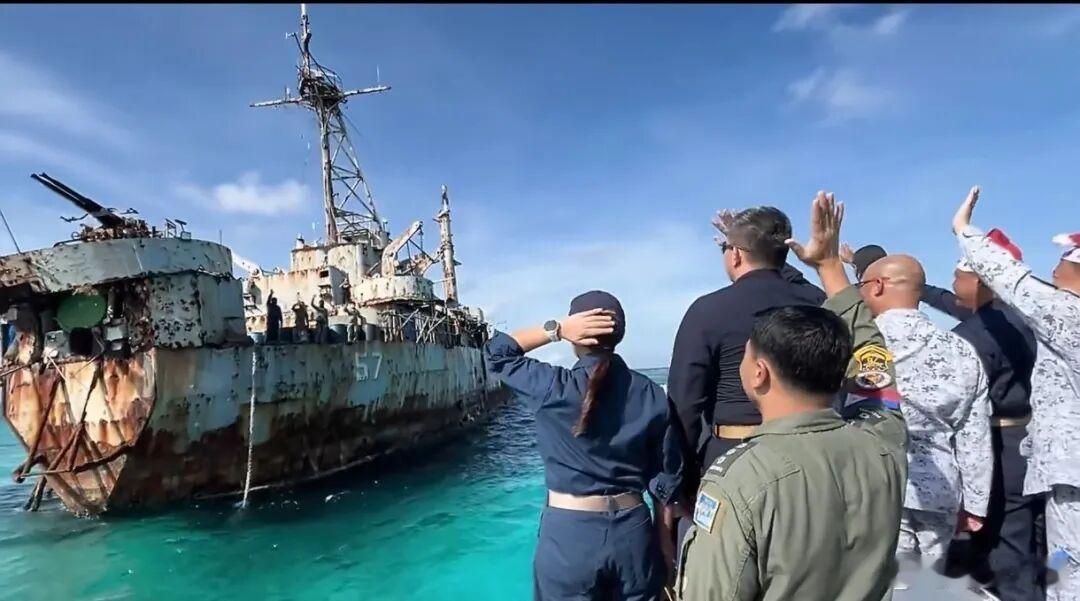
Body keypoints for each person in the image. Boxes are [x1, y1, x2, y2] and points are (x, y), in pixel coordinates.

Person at [676, 301, 907, 601]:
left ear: (759, 373)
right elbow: (875, 366)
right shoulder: (884, 441)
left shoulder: (739, 480)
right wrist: (837, 281)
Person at [820, 194, 994, 561]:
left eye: (862, 286)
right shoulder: (961, 350)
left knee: (884, 581)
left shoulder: (858, 343)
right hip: (940, 491)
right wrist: (976, 503)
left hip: (874, 486)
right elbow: (973, 434)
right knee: (931, 583)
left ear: (878, 286)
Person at [484, 291, 684, 601]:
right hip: (634, 534)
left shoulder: (552, 387)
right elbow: (664, 481)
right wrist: (665, 543)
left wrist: (556, 329)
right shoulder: (651, 393)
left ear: (576, 336)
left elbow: (496, 353)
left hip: (570, 537)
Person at [953, 187, 1080, 601]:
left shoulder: (1068, 315)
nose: (1053, 270)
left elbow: (1012, 279)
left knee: (1070, 568)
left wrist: (964, 230)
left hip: (1071, 471)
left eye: (1064, 262)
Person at [668, 207, 825, 507]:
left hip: (734, 457)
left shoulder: (708, 310)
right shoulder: (817, 302)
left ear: (737, 255)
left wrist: (682, 479)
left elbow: (684, 403)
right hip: (814, 454)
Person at [946, 247, 1044, 601]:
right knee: (1038, 541)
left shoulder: (974, 334)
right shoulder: (1032, 318)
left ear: (980, 281)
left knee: (1007, 546)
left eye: (958, 278)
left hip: (1000, 447)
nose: (953, 285)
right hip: (1036, 439)